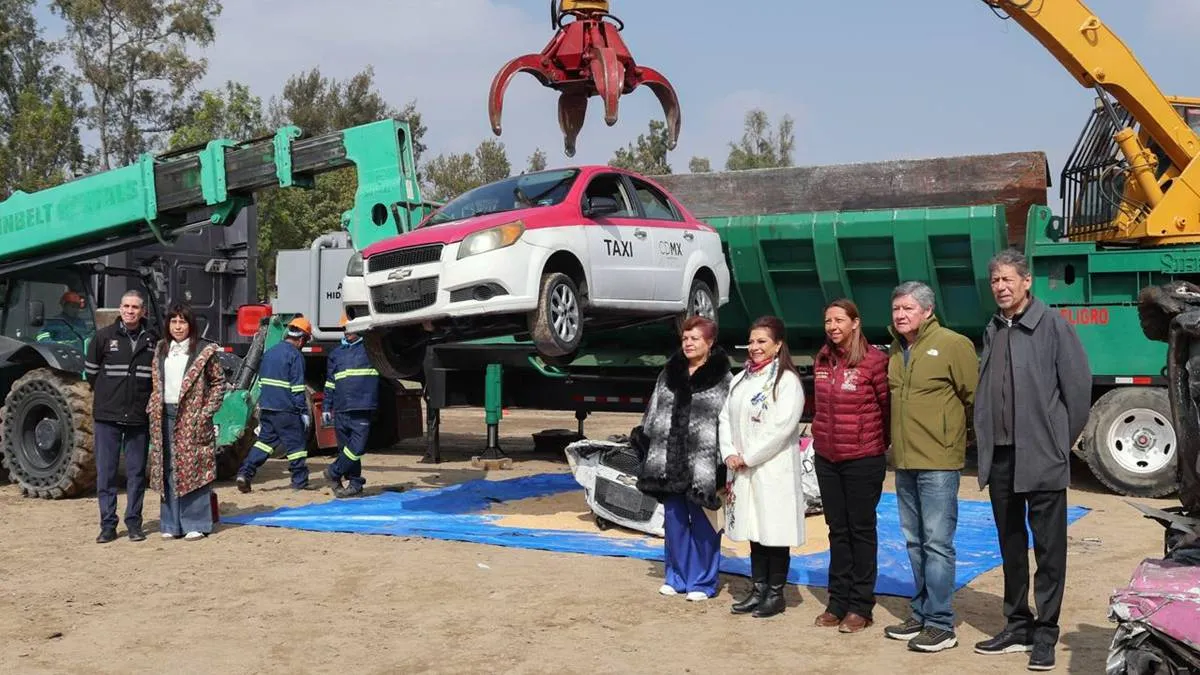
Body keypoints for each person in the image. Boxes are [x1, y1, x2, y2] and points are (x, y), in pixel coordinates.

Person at [972, 249, 1091, 672]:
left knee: (1049, 550)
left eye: (1008, 279)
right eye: (995, 281)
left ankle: (1045, 634)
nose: (1001, 287)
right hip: (1002, 459)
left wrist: (1059, 444)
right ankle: (1016, 625)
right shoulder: (994, 329)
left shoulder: (1052, 326)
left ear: (1027, 282)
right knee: (1010, 547)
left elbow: (1077, 393)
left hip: (1042, 458)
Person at [882, 281, 979, 653]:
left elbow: (974, 396)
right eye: (896, 309)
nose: (901, 315)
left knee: (938, 543)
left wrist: (958, 439)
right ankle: (922, 612)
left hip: (938, 461)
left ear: (926, 311)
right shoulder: (896, 348)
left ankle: (941, 624)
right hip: (905, 462)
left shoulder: (953, 345)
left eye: (907, 308)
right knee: (914, 540)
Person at [635, 315, 732, 602]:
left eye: (695, 339)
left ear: (710, 343)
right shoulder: (668, 374)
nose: (688, 343)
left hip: (704, 462)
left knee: (704, 523)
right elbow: (653, 411)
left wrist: (724, 462)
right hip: (667, 458)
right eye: (685, 338)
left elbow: (729, 421)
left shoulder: (723, 379)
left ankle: (702, 581)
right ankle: (676, 576)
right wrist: (646, 442)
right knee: (675, 521)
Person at [810, 299, 890, 633]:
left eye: (839, 320)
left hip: (862, 459)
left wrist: (872, 443)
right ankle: (837, 601)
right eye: (828, 320)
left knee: (861, 530)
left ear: (855, 323)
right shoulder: (822, 358)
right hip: (827, 458)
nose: (832, 326)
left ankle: (860, 606)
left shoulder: (875, 362)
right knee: (837, 530)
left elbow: (887, 409)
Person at [719, 315, 806, 619]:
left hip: (772, 469)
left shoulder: (786, 381)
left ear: (778, 345)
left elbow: (782, 427)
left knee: (774, 532)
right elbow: (725, 417)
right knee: (755, 530)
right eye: (752, 341)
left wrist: (749, 456)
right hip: (743, 468)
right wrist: (729, 452)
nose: (754, 347)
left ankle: (775, 593)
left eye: (762, 342)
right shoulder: (742, 378)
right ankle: (758, 589)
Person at [84, 289, 159, 543]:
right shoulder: (103, 338)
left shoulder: (153, 341)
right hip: (107, 416)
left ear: (143, 312)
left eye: (135, 307)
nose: (130, 311)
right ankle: (108, 525)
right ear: (120, 309)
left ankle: (134, 524)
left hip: (139, 417)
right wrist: (109, 397)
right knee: (106, 473)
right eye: (126, 306)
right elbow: (92, 375)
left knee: (137, 473)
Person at [146, 302, 226, 540]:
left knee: (195, 468)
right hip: (164, 415)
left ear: (190, 325)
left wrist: (205, 412)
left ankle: (195, 523)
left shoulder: (203, 351)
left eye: (182, 322)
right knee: (168, 468)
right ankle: (171, 524)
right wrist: (153, 406)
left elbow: (218, 383)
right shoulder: (162, 348)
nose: (178, 326)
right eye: (174, 321)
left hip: (192, 417)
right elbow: (156, 383)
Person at [236, 316, 313, 492]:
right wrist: (303, 412)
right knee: (297, 446)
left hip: (268, 407)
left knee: (264, 443)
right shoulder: (296, 356)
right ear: (301, 339)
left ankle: (245, 473)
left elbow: (261, 383)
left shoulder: (269, 353)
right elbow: (297, 388)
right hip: (286, 409)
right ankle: (300, 482)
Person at [322, 316, 380, 498]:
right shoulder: (336, 354)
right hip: (340, 408)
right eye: (345, 329)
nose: (347, 332)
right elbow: (330, 383)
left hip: (361, 407)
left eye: (351, 328)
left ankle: (333, 471)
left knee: (357, 448)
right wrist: (326, 407)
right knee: (346, 449)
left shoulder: (370, 350)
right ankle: (354, 484)